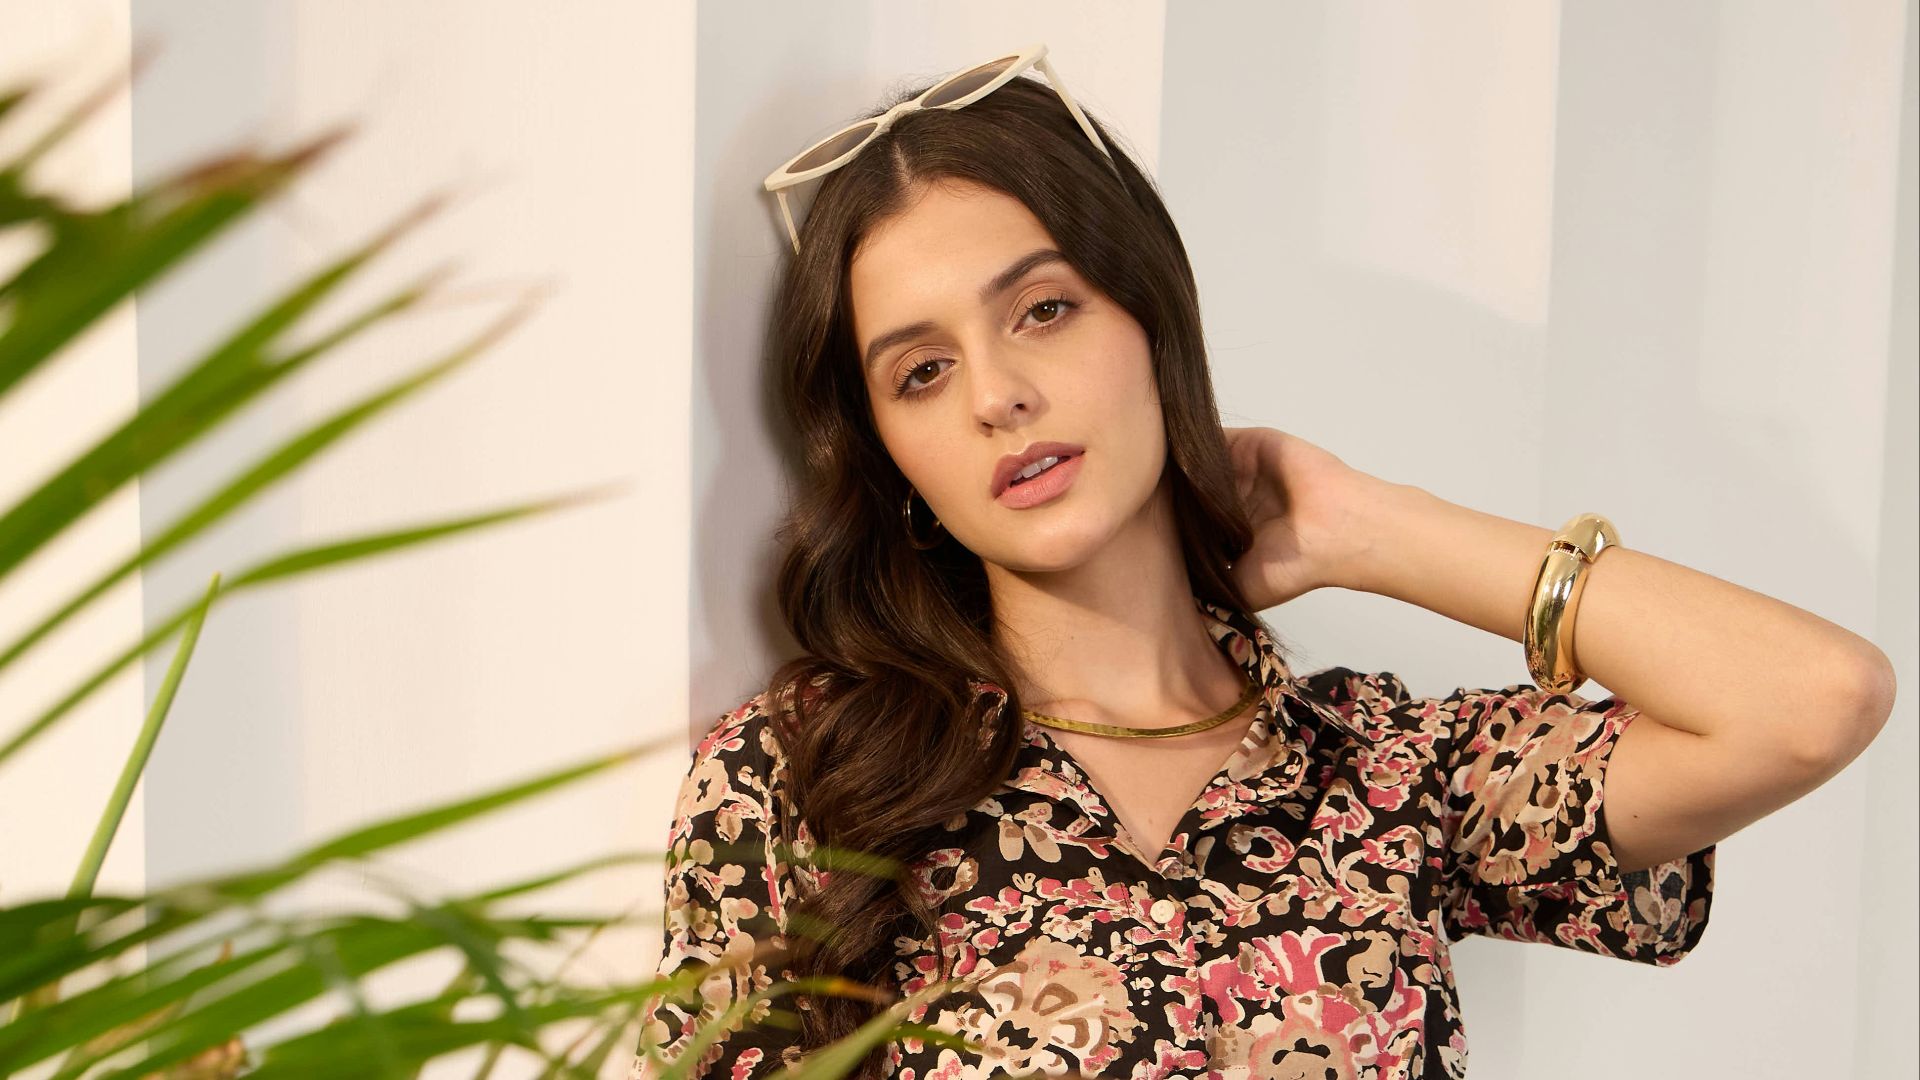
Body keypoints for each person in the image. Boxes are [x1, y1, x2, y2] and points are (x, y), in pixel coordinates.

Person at [631, 45, 1895, 1080]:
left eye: (1044, 309)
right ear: (892, 453)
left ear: (1152, 320)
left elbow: (1812, 700)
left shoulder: (1389, 776)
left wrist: (1371, 530)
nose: (999, 396)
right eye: (923, 371)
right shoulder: (804, 780)